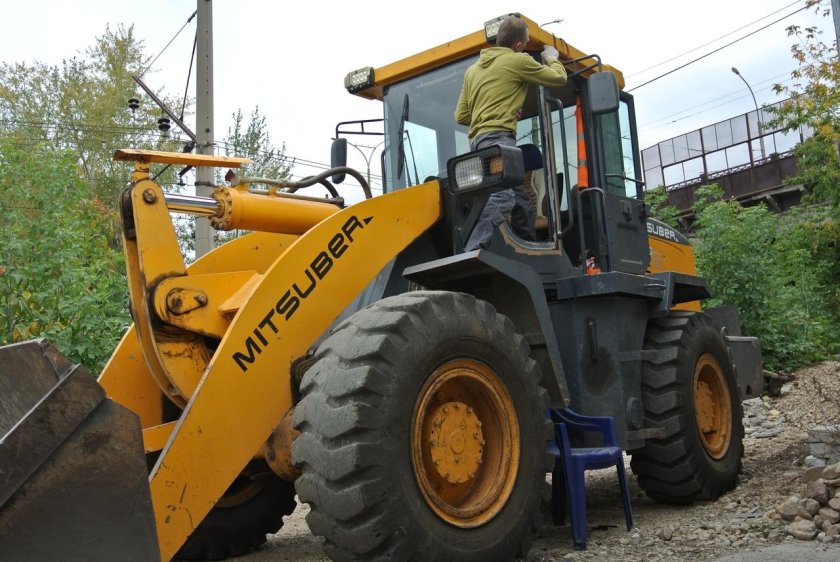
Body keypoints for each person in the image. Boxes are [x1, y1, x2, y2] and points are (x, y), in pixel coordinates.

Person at [454, 17, 568, 251]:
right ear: (518, 45)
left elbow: (461, 116)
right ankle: (472, 250)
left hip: (477, 144)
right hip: (499, 141)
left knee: (521, 200)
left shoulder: (472, 71)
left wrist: (496, 111)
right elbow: (559, 78)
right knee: (504, 198)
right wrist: (551, 58)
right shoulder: (518, 60)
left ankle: (530, 248)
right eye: (524, 45)